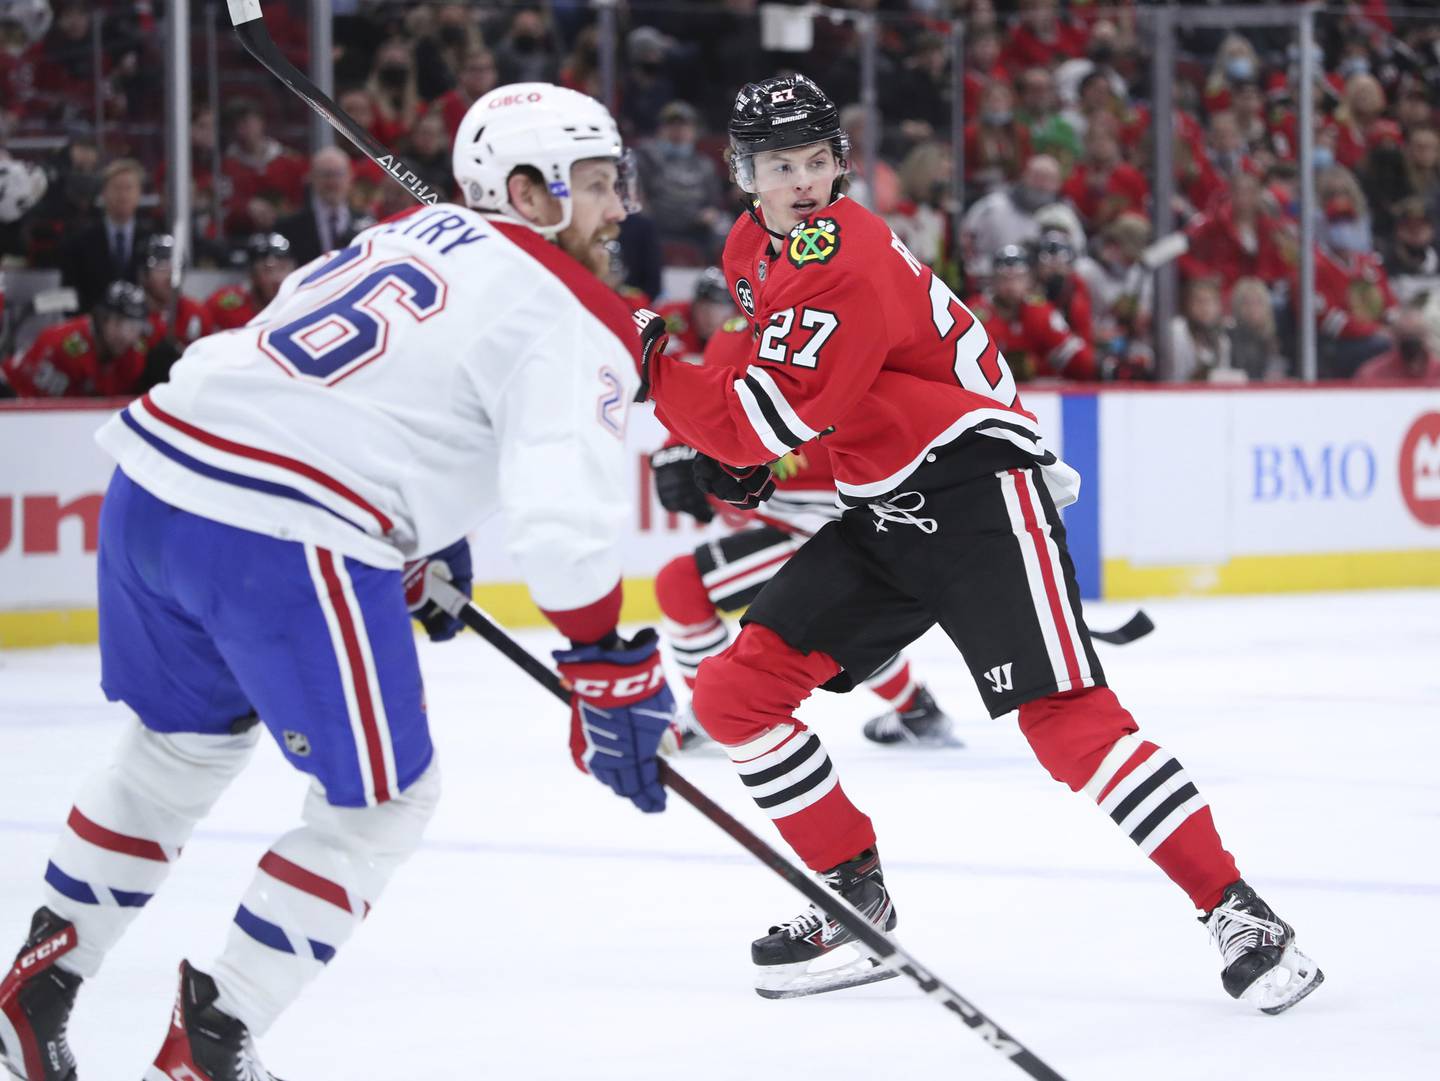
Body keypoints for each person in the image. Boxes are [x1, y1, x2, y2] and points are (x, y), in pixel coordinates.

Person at [0, 82, 676, 1081]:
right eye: (600, 183)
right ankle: (213, 1042)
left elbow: (343, 376)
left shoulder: (405, 233)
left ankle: (35, 990)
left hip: (154, 478)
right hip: (280, 530)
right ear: (530, 193)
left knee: (176, 753)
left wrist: (418, 530)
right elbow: (561, 516)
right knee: (384, 801)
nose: (622, 209)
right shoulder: (572, 309)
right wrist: (605, 659)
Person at [635, 72, 1323, 1012]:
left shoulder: (843, 247)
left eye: (815, 161)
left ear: (839, 163)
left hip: (976, 490)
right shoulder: (751, 247)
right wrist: (750, 458)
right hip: (883, 507)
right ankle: (852, 899)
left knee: (1067, 724)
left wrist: (654, 369)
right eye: (778, 165)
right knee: (733, 693)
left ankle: (1238, 909)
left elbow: (774, 409)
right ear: (743, 173)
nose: (800, 182)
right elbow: (810, 386)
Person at [650, 317, 959, 750]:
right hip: (796, 520)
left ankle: (713, 714)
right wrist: (676, 448)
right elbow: (706, 398)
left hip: (856, 518)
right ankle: (916, 709)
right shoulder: (736, 332)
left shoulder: (842, 319)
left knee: (683, 584)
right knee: (836, 621)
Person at [965, 244, 1095, 381]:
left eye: (1018, 278)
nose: (1011, 286)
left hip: (1034, 390)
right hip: (983, 387)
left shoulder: (1040, 311)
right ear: (993, 280)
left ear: (1029, 280)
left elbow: (1081, 361)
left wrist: (1039, 366)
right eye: (1004, 278)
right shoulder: (975, 312)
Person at [1, 280, 149, 397]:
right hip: (12, 396)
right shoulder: (64, 348)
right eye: (118, 323)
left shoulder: (136, 353)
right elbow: (44, 412)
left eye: (134, 327)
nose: (125, 335)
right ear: (102, 319)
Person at [59, 158, 151, 310]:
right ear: (104, 192)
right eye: (117, 188)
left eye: (128, 188)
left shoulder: (151, 239)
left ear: (139, 193)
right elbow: (70, 296)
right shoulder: (79, 242)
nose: (123, 195)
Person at [137, 234, 210, 389]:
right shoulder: (131, 316)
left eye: (176, 267)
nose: (171, 275)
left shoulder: (196, 313)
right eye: (162, 267)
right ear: (144, 274)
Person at [276, 147, 365, 266]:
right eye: (326, 175)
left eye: (338, 174)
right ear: (311, 177)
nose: (332, 182)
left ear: (350, 177)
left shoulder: (367, 223)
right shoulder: (288, 227)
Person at [203, 233, 295, 331]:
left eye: (283, 268)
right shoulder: (225, 304)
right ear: (252, 275)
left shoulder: (300, 306)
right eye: (267, 270)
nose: (277, 279)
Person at [655, 266, 737, 360]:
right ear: (693, 306)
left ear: (732, 313)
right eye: (703, 308)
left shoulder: (743, 329)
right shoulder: (673, 316)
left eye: (720, 309)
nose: (710, 317)